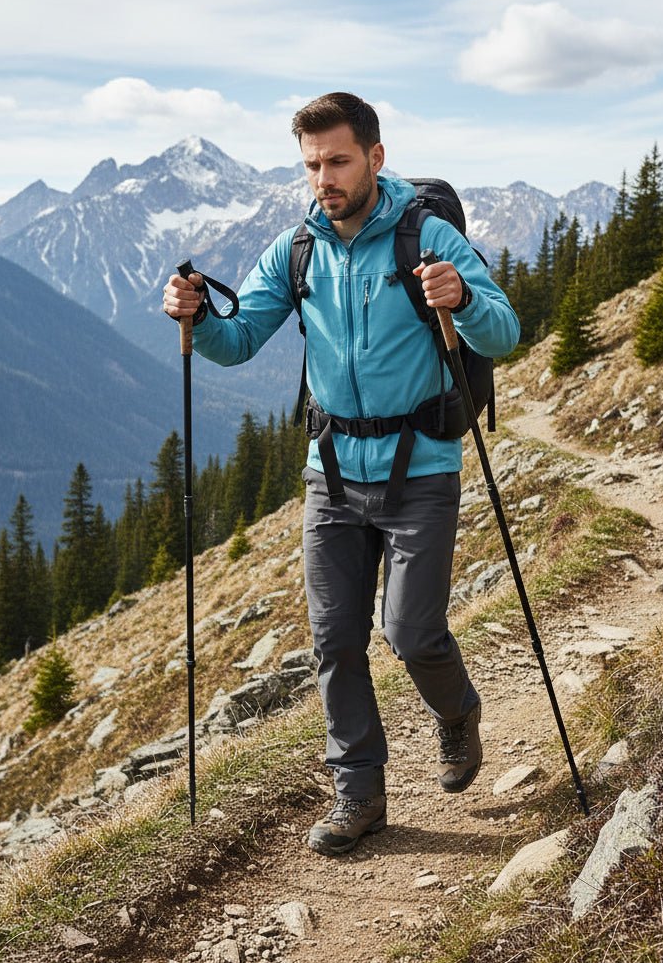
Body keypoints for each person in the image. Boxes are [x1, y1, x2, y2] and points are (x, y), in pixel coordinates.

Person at [163, 92, 520, 856]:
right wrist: (194, 317)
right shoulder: (298, 250)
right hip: (329, 471)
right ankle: (358, 793)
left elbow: (505, 328)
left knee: (411, 630)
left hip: (420, 466)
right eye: (312, 165)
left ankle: (457, 714)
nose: (323, 177)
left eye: (337, 161)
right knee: (333, 640)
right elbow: (238, 339)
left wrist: (462, 297)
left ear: (375, 158)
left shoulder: (429, 237)